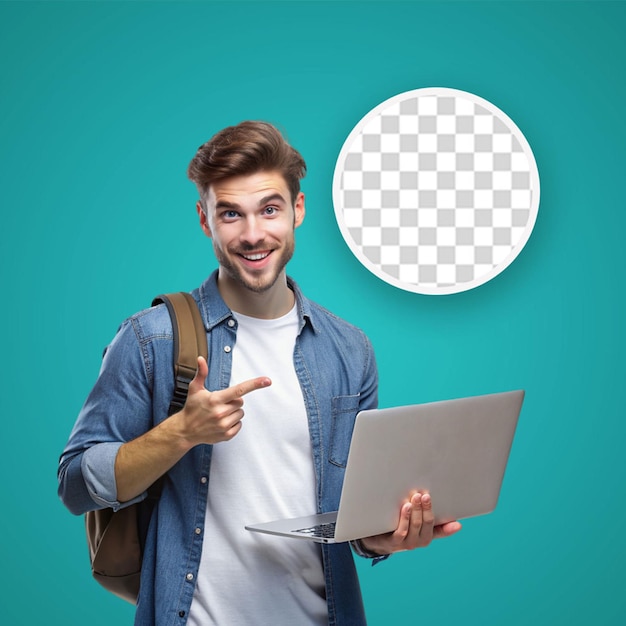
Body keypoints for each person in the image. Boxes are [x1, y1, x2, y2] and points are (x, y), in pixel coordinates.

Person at [58, 121, 461, 625]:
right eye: (231, 214)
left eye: (269, 209)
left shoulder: (349, 350)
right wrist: (181, 433)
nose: (252, 234)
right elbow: (75, 484)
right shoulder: (151, 339)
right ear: (205, 220)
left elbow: (354, 521)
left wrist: (386, 535)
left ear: (298, 210)